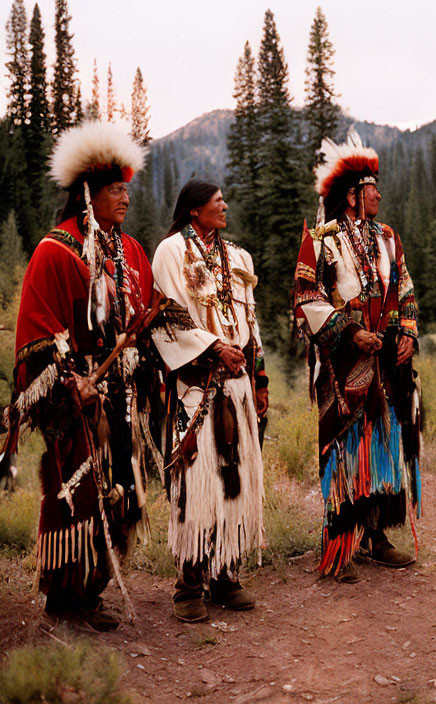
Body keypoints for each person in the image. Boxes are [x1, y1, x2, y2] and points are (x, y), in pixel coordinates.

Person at [10, 121, 155, 630]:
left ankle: (91, 587)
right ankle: (64, 595)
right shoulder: (56, 250)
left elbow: (142, 317)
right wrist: (73, 381)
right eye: (117, 190)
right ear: (89, 194)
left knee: (120, 490)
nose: (126, 199)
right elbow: (37, 330)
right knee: (75, 492)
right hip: (77, 399)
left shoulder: (129, 252)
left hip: (121, 398)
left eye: (128, 190)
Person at [293, 130, 422, 583]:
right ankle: (340, 543)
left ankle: (377, 536)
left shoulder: (387, 238)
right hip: (343, 364)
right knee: (345, 450)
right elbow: (306, 297)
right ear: (351, 195)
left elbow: (405, 289)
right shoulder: (322, 240)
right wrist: (348, 331)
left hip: (385, 361)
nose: (379, 194)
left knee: (383, 447)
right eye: (371, 188)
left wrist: (407, 330)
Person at [151, 180, 266, 622]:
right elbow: (169, 317)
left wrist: (259, 378)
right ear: (195, 210)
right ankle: (189, 585)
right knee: (198, 485)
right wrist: (215, 348)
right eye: (218, 203)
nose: (226, 207)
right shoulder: (170, 252)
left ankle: (225, 575)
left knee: (235, 481)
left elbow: (250, 323)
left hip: (237, 387)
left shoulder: (238, 257)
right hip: (197, 388)